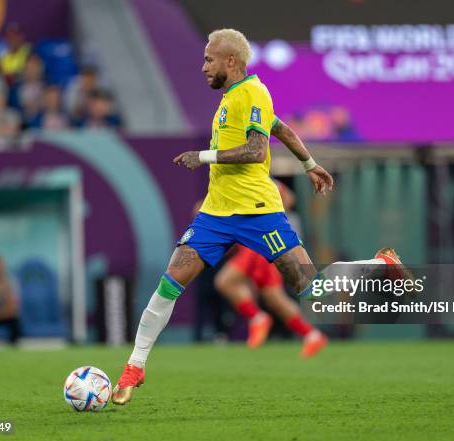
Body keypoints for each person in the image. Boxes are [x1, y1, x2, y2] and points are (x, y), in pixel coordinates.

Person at [112, 29, 407, 405]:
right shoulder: (233, 96)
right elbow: (281, 129)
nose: (203, 67)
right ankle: (134, 366)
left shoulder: (253, 92)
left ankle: (380, 263)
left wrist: (200, 156)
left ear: (231, 61)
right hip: (215, 214)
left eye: (209, 59)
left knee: (312, 290)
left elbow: (254, 150)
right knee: (169, 283)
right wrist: (310, 164)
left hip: (258, 212)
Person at [214, 181, 327, 357]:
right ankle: (311, 335)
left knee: (225, 281)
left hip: (257, 244)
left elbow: (289, 197)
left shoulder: (260, 180)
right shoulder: (235, 180)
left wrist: (273, 217)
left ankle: (257, 317)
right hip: (257, 243)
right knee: (274, 297)